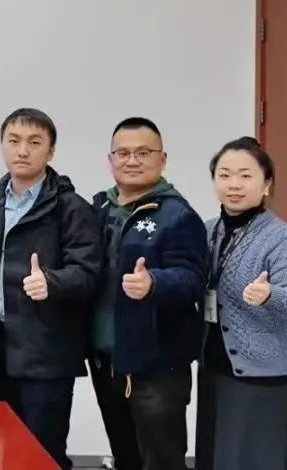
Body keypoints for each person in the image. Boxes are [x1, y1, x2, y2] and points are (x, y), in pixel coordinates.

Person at [0, 108, 102, 469]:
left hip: (48, 351)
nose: (23, 151)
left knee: (43, 454)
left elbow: (88, 273)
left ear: (50, 151)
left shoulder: (71, 207)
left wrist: (51, 281)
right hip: (2, 347)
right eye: (14, 141)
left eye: (34, 143)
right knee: (7, 450)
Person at [89, 117, 208, 470]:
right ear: (110, 159)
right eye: (123, 153)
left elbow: (192, 279)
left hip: (157, 366)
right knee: (126, 457)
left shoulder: (177, 215)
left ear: (162, 159)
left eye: (143, 153)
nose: (132, 160)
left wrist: (154, 282)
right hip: (107, 361)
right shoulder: (98, 209)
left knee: (161, 461)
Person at [194, 137, 287, 470]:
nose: (234, 184)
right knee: (218, 457)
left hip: (264, 375)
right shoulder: (207, 231)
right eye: (225, 175)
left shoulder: (281, 238)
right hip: (215, 367)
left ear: (266, 184)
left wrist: (269, 294)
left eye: (245, 175)